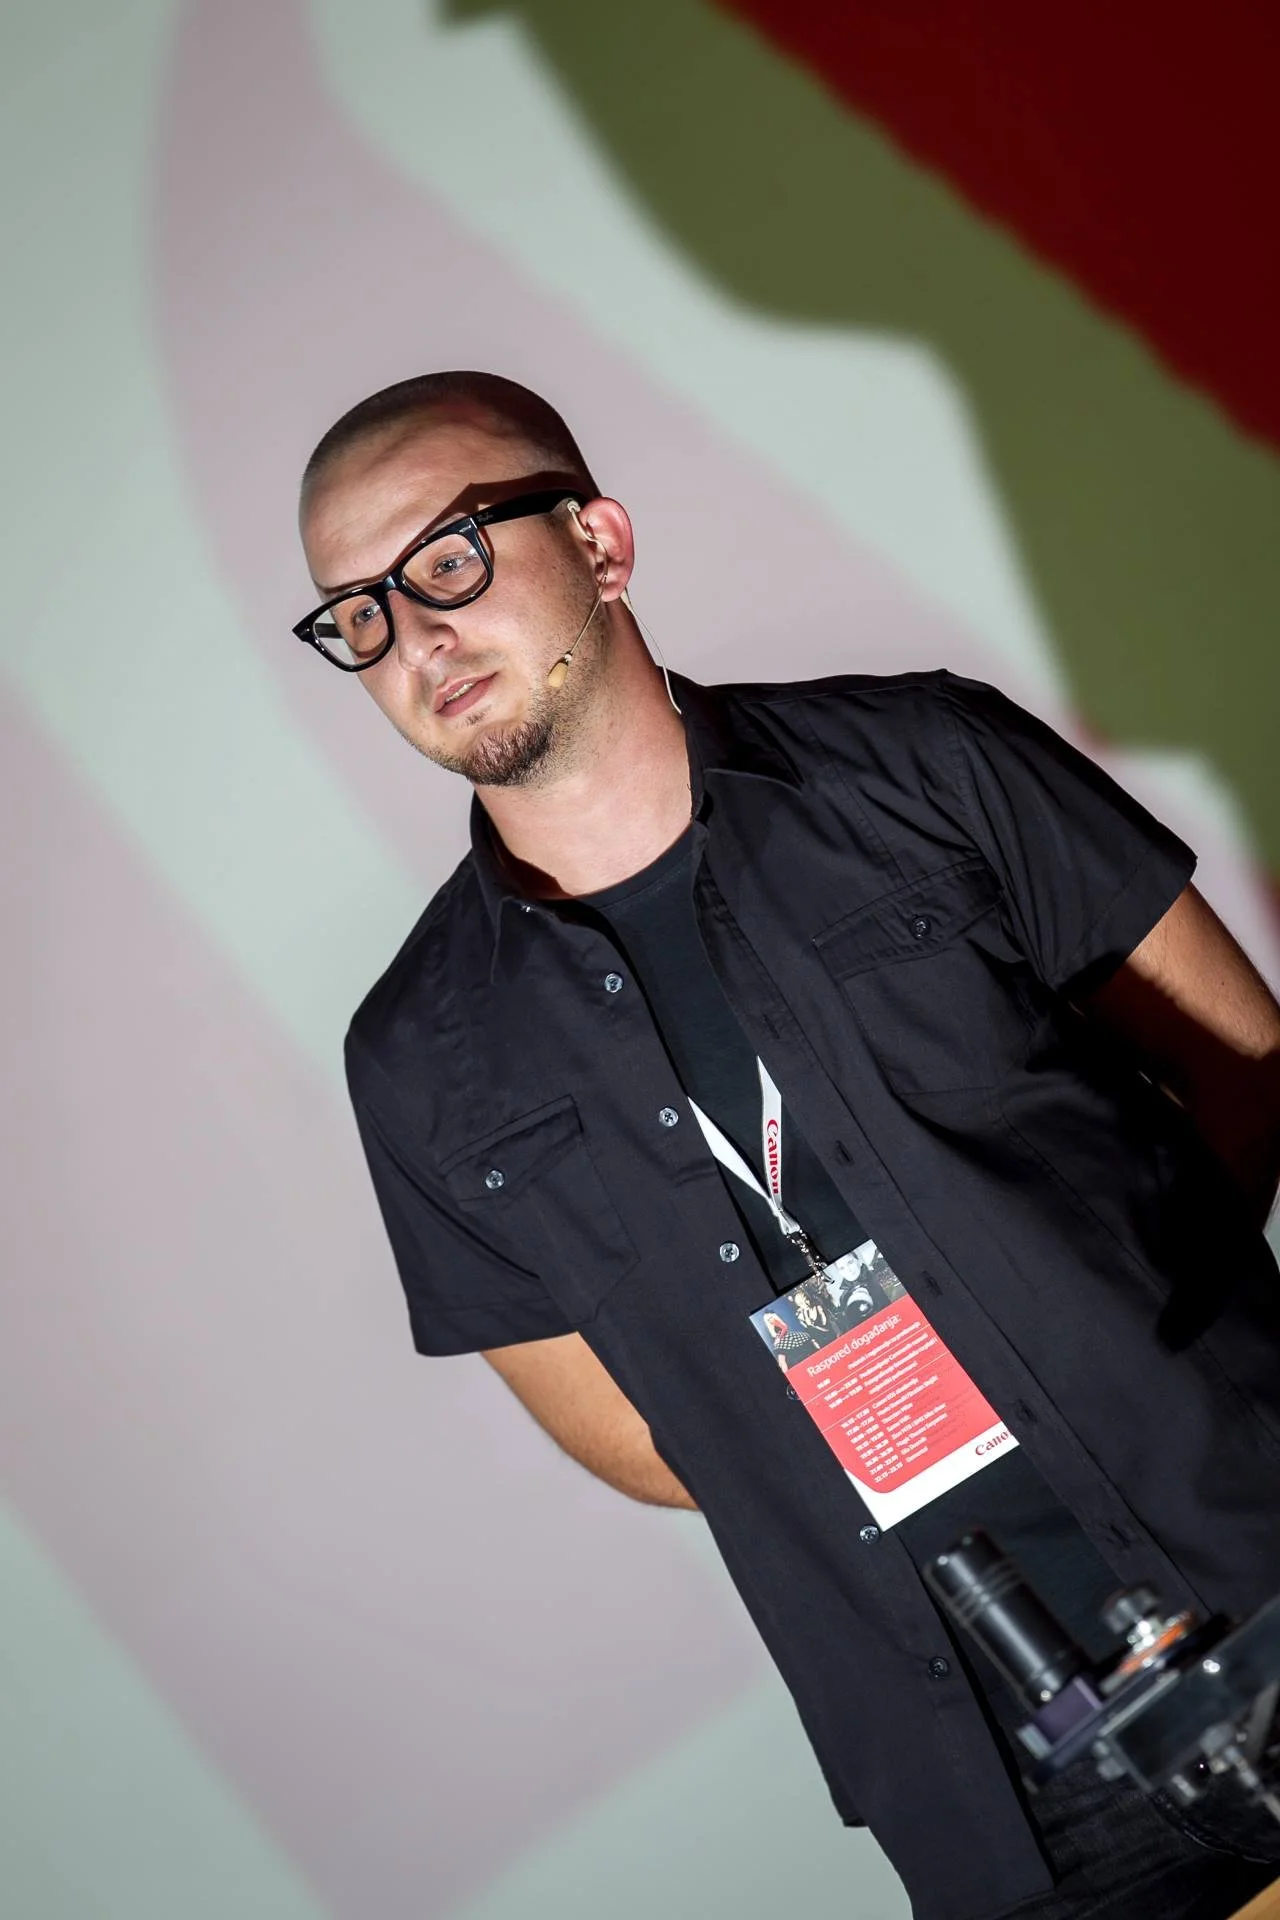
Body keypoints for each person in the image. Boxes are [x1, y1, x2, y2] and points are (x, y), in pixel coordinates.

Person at [294, 371, 1280, 1920]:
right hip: (1002, 1777)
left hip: (1257, 1543)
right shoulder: (417, 1056)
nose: (413, 635)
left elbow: (1238, 1058)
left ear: (601, 542)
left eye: (450, 560)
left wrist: (1133, 1326)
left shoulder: (927, 763)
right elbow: (631, 1431)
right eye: (355, 612)